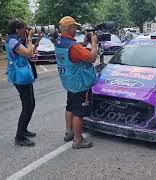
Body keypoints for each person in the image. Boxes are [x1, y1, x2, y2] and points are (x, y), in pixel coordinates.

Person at [55, 16, 98, 149]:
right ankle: (78, 140)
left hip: (69, 81)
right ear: (70, 28)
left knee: (70, 107)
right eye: (75, 27)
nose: (76, 29)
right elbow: (91, 58)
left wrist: (84, 44)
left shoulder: (59, 42)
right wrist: (94, 43)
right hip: (80, 84)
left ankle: (69, 132)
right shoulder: (74, 47)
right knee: (79, 112)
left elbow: (75, 54)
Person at [5, 18, 43, 147]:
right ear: (17, 30)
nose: (26, 30)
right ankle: (19, 137)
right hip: (19, 77)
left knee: (31, 104)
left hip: (24, 76)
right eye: (24, 28)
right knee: (27, 106)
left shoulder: (17, 40)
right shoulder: (12, 42)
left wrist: (36, 42)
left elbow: (31, 53)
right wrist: (30, 38)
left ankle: (24, 130)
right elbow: (27, 53)